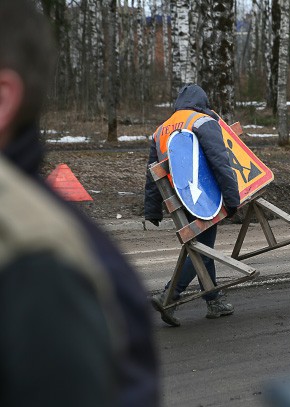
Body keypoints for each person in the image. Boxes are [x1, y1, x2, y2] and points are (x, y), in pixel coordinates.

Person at [0, 2, 159, 406]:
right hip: (202, 208)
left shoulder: (41, 263)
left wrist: (155, 209)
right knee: (201, 251)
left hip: (195, 208)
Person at [145, 84, 241, 326]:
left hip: (178, 200)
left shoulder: (161, 130)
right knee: (200, 249)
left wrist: (152, 209)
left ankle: (214, 300)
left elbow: (151, 174)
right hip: (203, 198)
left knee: (201, 246)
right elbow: (220, 162)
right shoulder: (201, 121)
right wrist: (232, 199)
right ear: (203, 102)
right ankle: (169, 295)